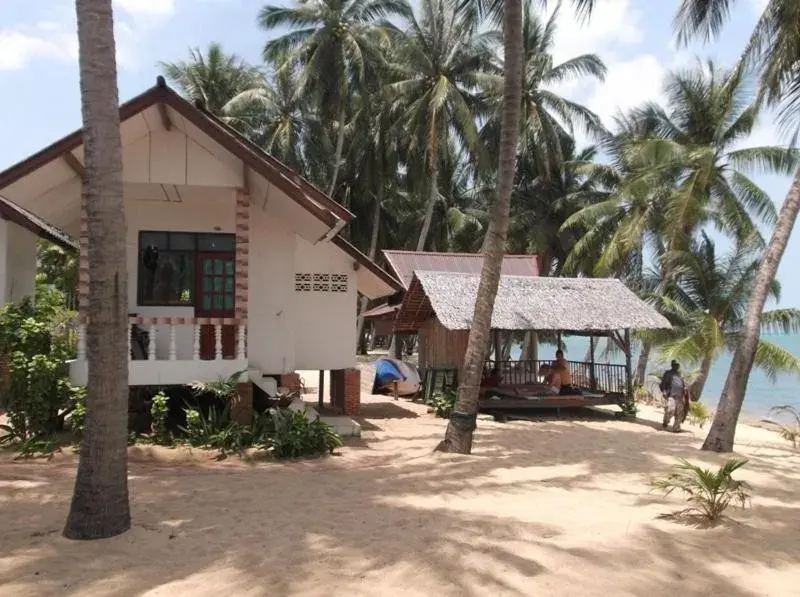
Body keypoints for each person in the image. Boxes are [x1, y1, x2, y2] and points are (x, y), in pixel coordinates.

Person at [660, 360, 687, 432]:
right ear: (672, 365)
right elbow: (663, 383)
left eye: (678, 365)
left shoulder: (680, 374)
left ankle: (676, 428)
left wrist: (685, 391)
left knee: (679, 413)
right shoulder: (668, 373)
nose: (677, 366)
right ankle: (666, 421)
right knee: (670, 410)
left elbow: (684, 384)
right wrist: (664, 391)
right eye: (675, 364)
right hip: (671, 394)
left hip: (680, 396)